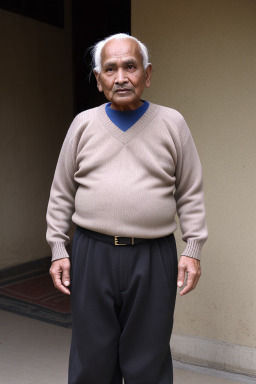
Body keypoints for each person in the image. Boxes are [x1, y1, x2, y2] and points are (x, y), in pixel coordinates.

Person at [46, 33, 208, 384]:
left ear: (147, 75)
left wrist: (193, 248)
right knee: (92, 360)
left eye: (130, 67)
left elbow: (190, 191)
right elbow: (61, 192)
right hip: (92, 253)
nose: (121, 77)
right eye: (111, 69)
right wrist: (58, 247)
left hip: (153, 256)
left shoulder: (172, 123)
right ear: (99, 78)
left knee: (147, 361)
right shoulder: (83, 124)